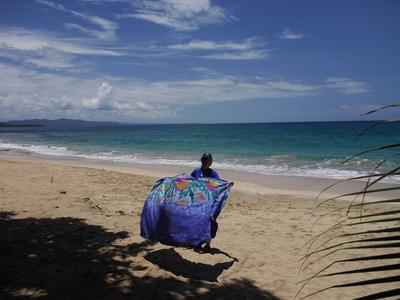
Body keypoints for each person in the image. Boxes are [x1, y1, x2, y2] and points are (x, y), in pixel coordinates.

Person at [191, 153, 220, 252]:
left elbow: (219, 186)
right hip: (198, 201)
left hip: (209, 202)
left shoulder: (214, 174)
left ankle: (207, 245)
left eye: (207, 160)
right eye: (203, 159)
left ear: (211, 162)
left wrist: (228, 185)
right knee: (198, 222)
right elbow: (189, 182)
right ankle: (198, 243)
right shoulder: (196, 172)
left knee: (210, 222)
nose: (205, 161)